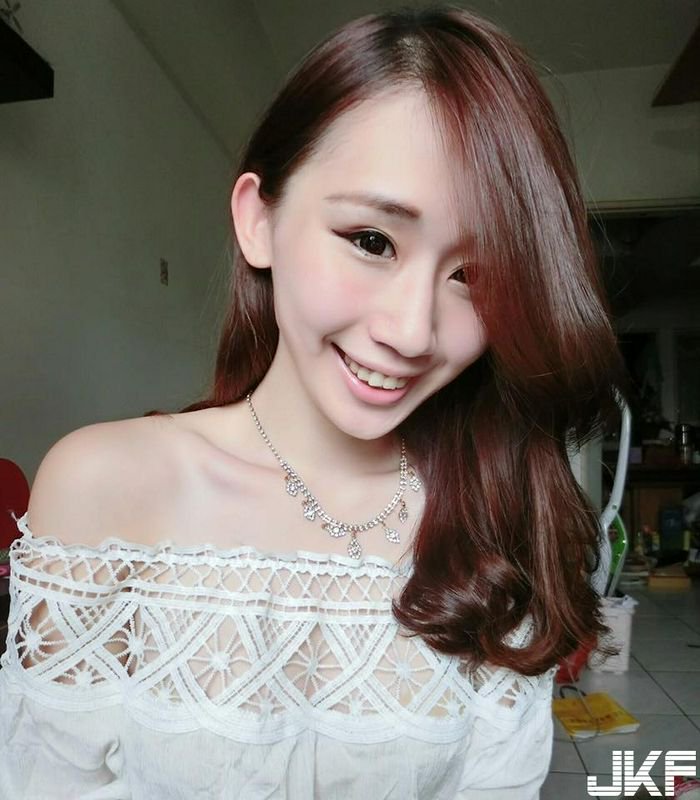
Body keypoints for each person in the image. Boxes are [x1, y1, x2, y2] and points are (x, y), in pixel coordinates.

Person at [0, 5, 626, 798]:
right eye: (372, 241)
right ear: (258, 220)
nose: (412, 332)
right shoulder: (105, 488)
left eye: (473, 277)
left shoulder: (500, 510)